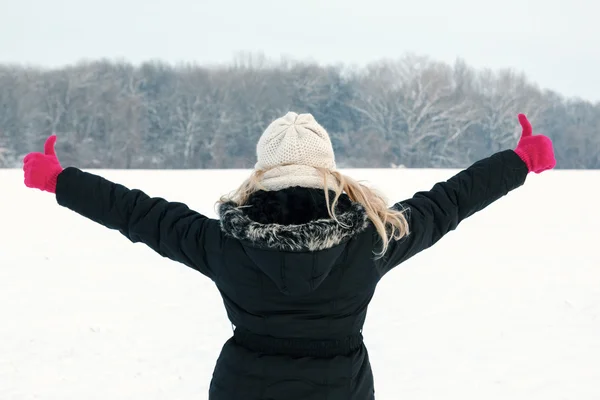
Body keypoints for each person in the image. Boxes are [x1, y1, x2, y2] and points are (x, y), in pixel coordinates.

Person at [22, 111, 555, 399]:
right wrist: (519, 160)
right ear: (329, 172)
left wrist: (59, 180)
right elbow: (448, 203)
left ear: (263, 173)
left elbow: (138, 213)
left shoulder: (222, 241)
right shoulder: (372, 238)